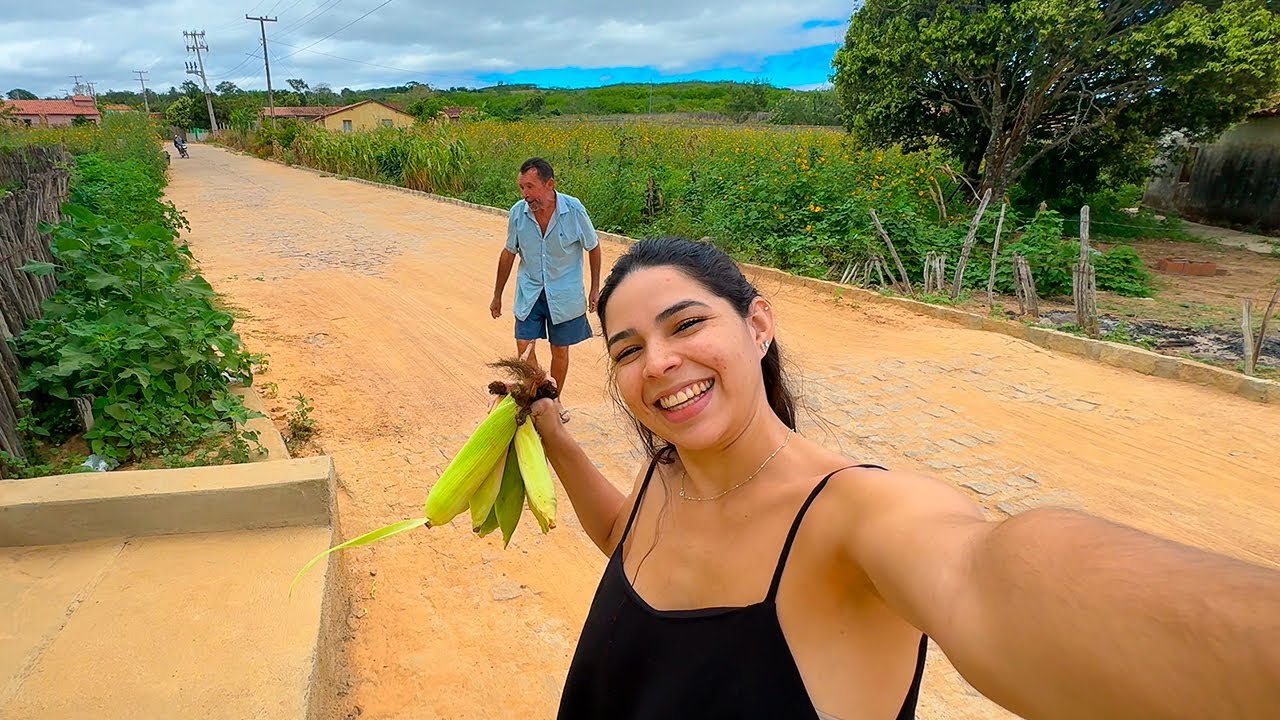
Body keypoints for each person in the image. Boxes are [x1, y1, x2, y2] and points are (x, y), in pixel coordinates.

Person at [513, 236, 1279, 719]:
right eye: (627, 349)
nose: (657, 362)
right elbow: (622, 535)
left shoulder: (856, 517)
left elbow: (987, 579)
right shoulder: (667, 474)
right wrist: (551, 429)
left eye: (686, 324)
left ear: (758, 325)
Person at [491, 157, 602, 402]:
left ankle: (554, 400)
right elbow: (509, 253)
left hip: (563, 293)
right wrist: (497, 295)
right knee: (523, 344)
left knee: (559, 348)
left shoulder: (573, 210)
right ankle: (541, 393)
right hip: (530, 290)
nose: (525, 194)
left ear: (549, 184)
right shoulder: (518, 213)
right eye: (522, 187)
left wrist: (595, 288)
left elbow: (593, 247)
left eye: (530, 187)